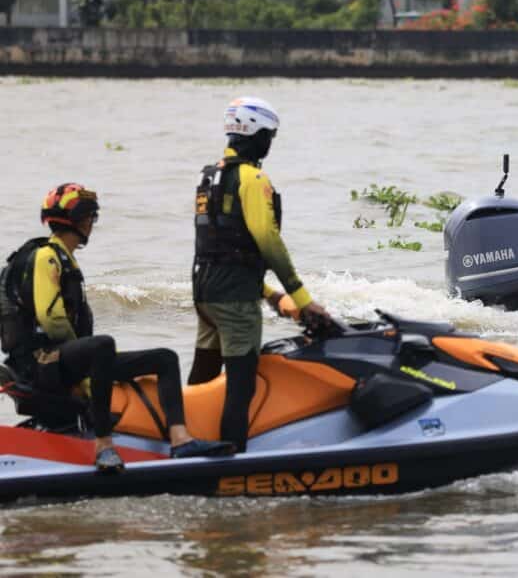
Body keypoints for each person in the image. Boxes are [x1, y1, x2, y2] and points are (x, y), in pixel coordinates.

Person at [0, 184, 233, 472]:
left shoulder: (63, 258)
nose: (92, 225)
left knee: (165, 358)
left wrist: (87, 358)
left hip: (63, 358)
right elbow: (52, 319)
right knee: (102, 345)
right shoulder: (47, 257)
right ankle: (104, 446)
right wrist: (85, 367)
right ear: (81, 220)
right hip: (40, 362)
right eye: (91, 218)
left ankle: (180, 440)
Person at [189, 97, 332, 453]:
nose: (270, 143)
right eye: (268, 135)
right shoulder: (253, 179)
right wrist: (301, 298)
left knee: (202, 377)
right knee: (241, 385)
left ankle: (179, 440)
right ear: (254, 133)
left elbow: (219, 246)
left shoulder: (209, 177)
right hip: (234, 300)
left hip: (205, 291)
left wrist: (270, 295)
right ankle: (230, 459)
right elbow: (268, 241)